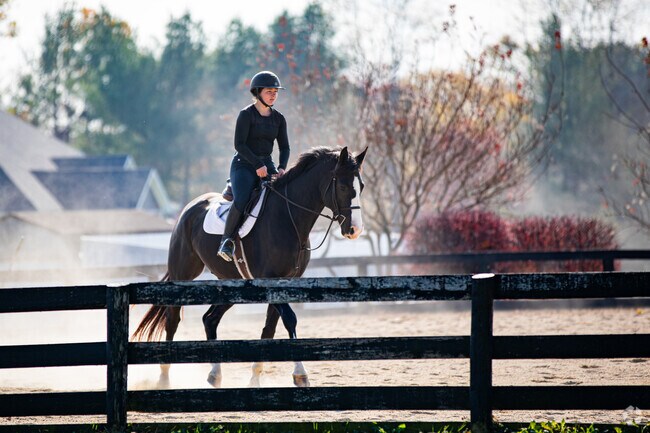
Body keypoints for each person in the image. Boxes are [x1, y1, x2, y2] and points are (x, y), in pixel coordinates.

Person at [218, 70, 290, 262]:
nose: (274, 94)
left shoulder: (279, 119)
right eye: (269, 91)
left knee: (283, 196)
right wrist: (257, 164)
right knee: (241, 199)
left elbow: (284, 147)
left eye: (276, 91)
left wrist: (282, 167)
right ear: (257, 92)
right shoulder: (246, 115)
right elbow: (239, 145)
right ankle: (227, 241)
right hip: (243, 164)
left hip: (267, 164)